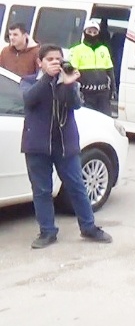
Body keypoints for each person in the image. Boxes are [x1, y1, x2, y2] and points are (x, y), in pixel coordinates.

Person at [20, 44, 113, 249]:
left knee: (77, 186)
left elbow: (75, 104)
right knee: (42, 190)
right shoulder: (28, 81)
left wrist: (69, 84)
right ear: (40, 63)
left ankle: (88, 227)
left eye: (58, 59)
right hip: (37, 145)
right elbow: (29, 100)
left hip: (65, 144)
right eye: (50, 59)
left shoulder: (68, 80)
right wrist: (47, 78)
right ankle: (47, 231)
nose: (55, 63)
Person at [69, 21, 115, 116]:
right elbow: (73, 71)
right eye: (89, 32)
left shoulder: (104, 49)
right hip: (86, 94)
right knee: (88, 120)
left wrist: (113, 89)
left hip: (103, 93)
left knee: (105, 120)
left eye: (95, 32)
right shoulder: (76, 50)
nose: (92, 35)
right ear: (84, 32)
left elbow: (110, 70)